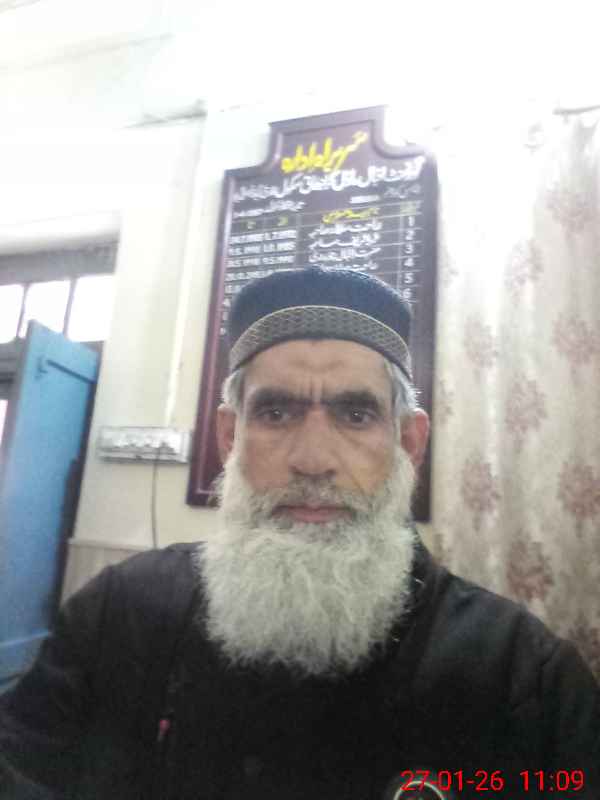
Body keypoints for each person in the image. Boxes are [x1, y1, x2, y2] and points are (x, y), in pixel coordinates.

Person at [1, 267, 598, 800]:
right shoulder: (117, 615)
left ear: (408, 443)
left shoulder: (523, 677)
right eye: (276, 413)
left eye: (356, 415)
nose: (313, 461)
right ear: (230, 437)